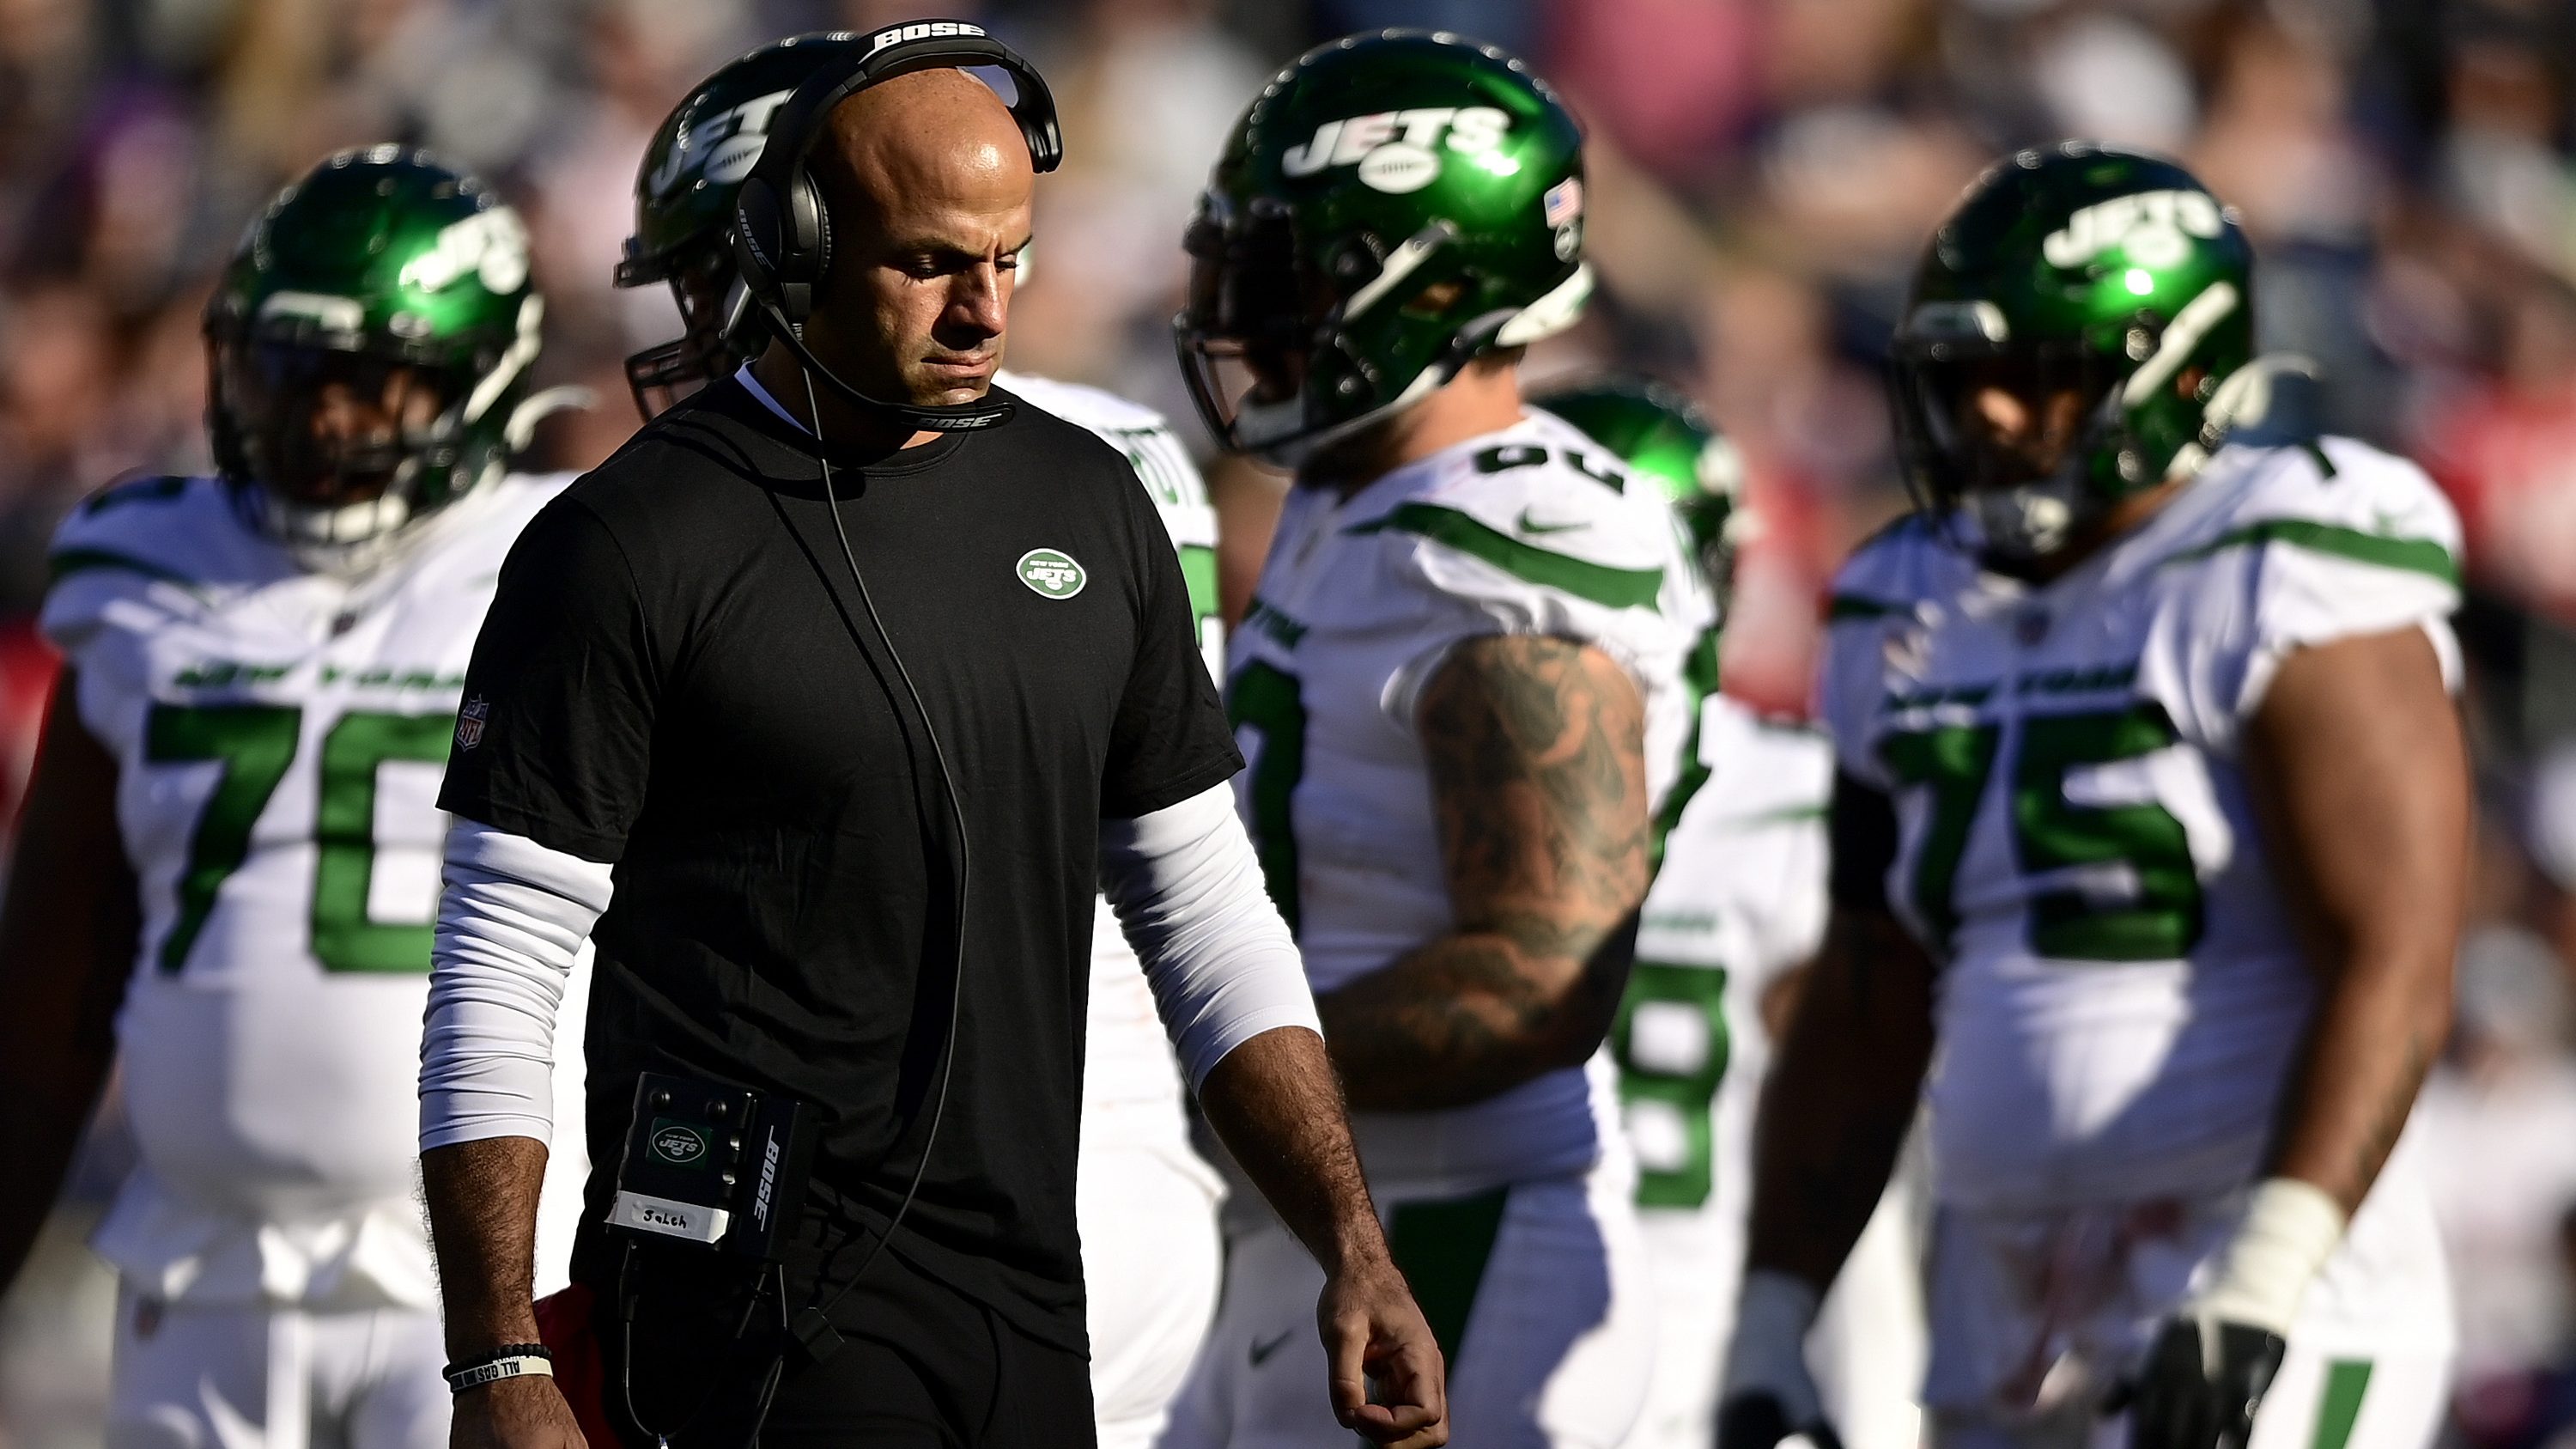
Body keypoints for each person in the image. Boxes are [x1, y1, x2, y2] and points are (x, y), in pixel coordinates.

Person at [416, 27, 1446, 1449]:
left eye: (1009, 258)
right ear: (797, 245)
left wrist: (1352, 1239)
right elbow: (497, 953)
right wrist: (496, 1358)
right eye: (926, 262)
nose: (983, 309)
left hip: (1028, 1298)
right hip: (746, 1307)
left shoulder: (1090, 502)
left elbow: (1204, 909)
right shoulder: (625, 540)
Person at [1718, 143, 2463, 1449]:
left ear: (2175, 363)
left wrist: (2266, 1269)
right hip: (2002, 1285)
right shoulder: (1907, 596)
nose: (1992, 415)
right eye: (1969, 376)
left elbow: (2395, 950)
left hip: (2250, 1262)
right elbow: (1868, 985)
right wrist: (1775, 1304)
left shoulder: (2284, 551)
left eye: (2039, 376)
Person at [610, 35, 1229, 1447]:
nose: (702, 314)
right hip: (1135, 1163)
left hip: (916, 1186)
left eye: (717, 268)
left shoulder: (792, 497)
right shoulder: (1118, 456)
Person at [1163, 32, 1713, 1448]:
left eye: (1285, 279)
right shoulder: (1361, 492)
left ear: (1440, 283)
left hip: (1456, 1230)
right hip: (1332, 1223)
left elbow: (1538, 971)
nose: (1241, 316)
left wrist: (1209, 1062)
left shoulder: (1518, 536)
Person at [0, 148, 590, 1449]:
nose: (324, 421)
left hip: (478, 1277)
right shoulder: (139, 563)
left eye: (372, 381)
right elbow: (52, 979)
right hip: (200, 1260)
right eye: (287, 369)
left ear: (477, 378)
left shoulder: (572, 560)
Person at [1530, 381, 1927, 1449]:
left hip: (1668, 1366)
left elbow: (1850, 1130)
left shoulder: (1791, 802)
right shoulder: (1785, 788)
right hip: (1671, 1363)